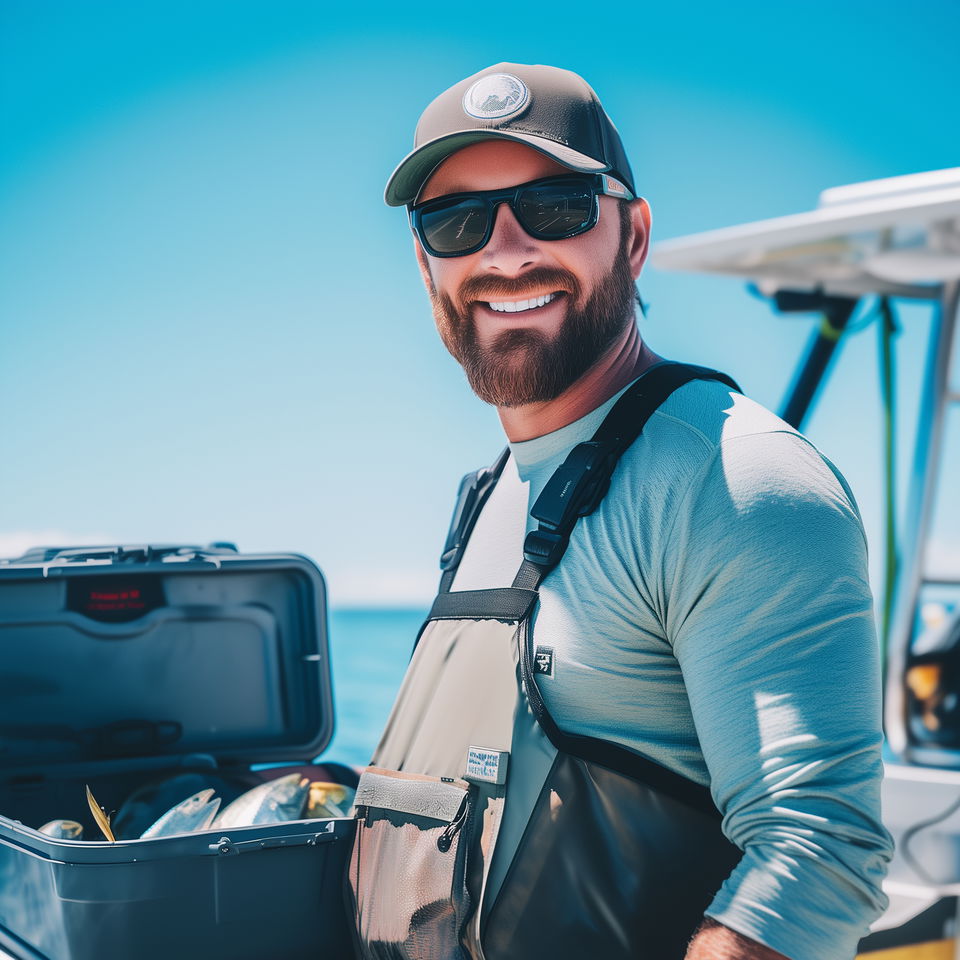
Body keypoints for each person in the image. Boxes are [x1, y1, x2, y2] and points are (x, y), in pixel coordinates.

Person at [349, 62, 893, 960]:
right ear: (425, 264)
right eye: (457, 222)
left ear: (633, 237)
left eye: (557, 207)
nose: (506, 251)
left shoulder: (733, 480)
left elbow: (824, 851)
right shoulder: (490, 490)